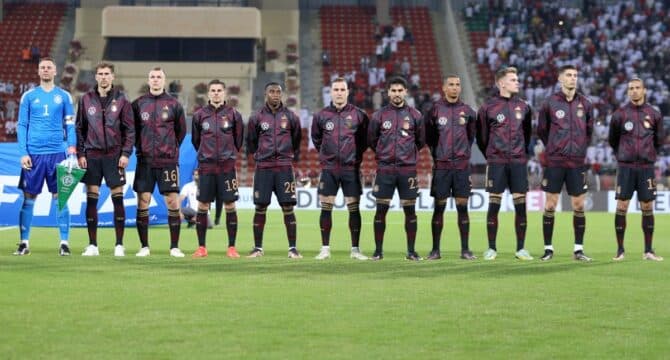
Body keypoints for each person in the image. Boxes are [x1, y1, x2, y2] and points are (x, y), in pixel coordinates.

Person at [15, 57, 76, 256]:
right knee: (28, 197)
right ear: (39, 72)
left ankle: (64, 243)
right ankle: (24, 242)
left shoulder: (64, 96)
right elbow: (22, 125)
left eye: (49, 67)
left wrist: (72, 151)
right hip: (34, 154)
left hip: (58, 153)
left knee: (61, 198)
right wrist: (23, 152)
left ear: (55, 71)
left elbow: (70, 125)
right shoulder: (29, 96)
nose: (46, 70)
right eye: (43, 68)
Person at [76, 62, 135, 257]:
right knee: (91, 199)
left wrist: (126, 154)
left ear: (112, 77)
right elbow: (80, 129)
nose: (103, 77)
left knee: (117, 198)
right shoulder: (86, 99)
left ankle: (119, 244)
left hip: (114, 156)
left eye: (106, 74)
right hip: (92, 155)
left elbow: (129, 130)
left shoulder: (122, 101)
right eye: (100, 73)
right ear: (95, 77)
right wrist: (81, 154)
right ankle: (93, 245)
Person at [537, 65, 594, 261]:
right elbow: (542, 131)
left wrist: (578, 150)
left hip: (577, 163)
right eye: (569, 75)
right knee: (551, 205)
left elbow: (589, 132)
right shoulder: (549, 103)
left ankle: (578, 250)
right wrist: (554, 148)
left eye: (575, 75)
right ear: (561, 79)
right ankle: (548, 249)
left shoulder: (585, 104)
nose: (572, 79)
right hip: (555, 162)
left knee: (579, 205)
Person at [476, 67, 533, 261]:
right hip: (497, 161)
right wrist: (492, 155)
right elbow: (482, 138)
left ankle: (521, 248)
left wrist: (519, 154)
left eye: (517, 79)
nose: (517, 82)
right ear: (501, 83)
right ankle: (491, 248)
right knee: (494, 204)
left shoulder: (524, 107)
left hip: (517, 161)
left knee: (521, 205)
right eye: (513, 79)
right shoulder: (488, 108)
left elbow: (527, 135)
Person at [311, 77, 370, 260]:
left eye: (342, 89)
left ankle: (355, 250)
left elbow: (365, 140)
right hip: (329, 168)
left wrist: (354, 156)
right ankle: (325, 248)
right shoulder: (321, 116)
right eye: (335, 89)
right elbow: (317, 139)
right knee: (326, 206)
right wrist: (327, 156)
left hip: (350, 168)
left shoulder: (359, 115)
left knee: (354, 207)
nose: (339, 92)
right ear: (331, 92)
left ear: (347, 92)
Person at [368, 77, 425, 261]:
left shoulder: (415, 115)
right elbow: (372, 140)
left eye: (400, 90)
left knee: (410, 211)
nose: (397, 94)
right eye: (393, 90)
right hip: (385, 169)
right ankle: (378, 251)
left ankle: (411, 251)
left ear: (406, 92)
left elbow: (421, 141)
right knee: (381, 211)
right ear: (388, 92)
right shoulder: (379, 116)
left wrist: (407, 155)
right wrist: (384, 154)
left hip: (407, 170)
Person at [132, 67, 187, 257]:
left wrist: (169, 149)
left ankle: (174, 247)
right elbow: (133, 132)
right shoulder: (138, 104)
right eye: (153, 77)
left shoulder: (174, 104)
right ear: (148, 80)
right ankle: (144, 246)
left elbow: (180, 132)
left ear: (164, 81)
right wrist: (142, 148)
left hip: (167, 161)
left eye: (159, 77)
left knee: (172, 202)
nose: (155, 80)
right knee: (143, 201)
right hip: (145, 161)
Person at [609, 77, 664, 261]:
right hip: (626, 167)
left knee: (647, 206)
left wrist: (647, 155)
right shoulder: (619, 115)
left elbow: (659, 140)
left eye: (637, 88)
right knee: (622, 205)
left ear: (644, 90)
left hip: (646, 167)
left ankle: (648, 250)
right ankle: (620, 250)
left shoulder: (654, 114)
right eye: (631, 88)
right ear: (627, 92)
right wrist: (624, 155)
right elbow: (613, 140)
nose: (634, 91)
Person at [246, 82, 302, 258]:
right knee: (260, 206)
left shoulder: (291, 116)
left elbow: (297, 140)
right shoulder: (256, 117)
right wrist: (261, 156)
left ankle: (292, 249)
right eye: (272, 91)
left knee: (288, 207)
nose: (275, 94)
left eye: (278, 92)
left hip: (284, 168)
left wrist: (288, 156)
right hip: (264, 167)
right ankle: (258, 248)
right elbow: (251, 142)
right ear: (265, 94)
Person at [424, 75, 477, 260]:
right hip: (442, 167)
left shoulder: (469, 112)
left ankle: (465, 250)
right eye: (451, 85)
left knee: (463, 208)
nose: (455, 88)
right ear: (444, 88)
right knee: (439, 208)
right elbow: (429, 138)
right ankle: (435, 250)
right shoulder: (435, 111)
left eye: (457, 85)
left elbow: (470, 138)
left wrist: (462, 155)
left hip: (461, 167)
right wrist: (440, 156)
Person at [191, 79, 244, 258]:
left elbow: (238, 141)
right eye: (212, 90)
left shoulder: (234, 114)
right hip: (206, 167)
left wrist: (226, 155)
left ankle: (231, 247)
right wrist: (207, 155)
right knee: (202, 204)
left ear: (224, 93)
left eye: (219, 90)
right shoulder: (199, 115)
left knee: (230, 204)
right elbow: (196, 141)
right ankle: (201, 247)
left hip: (226, 167)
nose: (215, 93)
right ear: (208, 94)